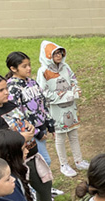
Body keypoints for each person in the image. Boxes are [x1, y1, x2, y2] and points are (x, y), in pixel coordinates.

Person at [0, 72, 72, 201]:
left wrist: (29, 126)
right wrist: (20, 137)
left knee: (42, 182)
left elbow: (21, 120)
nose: (6, 92)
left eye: (6, 88)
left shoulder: (9, 104)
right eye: (0, 90)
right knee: (21, 190)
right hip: (11, 162)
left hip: (30, 153)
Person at [5, 51, 63, 197]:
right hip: (29, 134)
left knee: (43, 162)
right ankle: (40, 192)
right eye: (24, 66)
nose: (29, 68)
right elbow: (17, 115)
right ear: (13, 68)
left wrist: (50, 124)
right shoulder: (12, 88)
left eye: (29, 65)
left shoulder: (32, 82)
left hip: (41, 129)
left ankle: (44, 190)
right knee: (42, 163)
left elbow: (42, 104)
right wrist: (37, 133)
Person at [36, 40, 89, 177]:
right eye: (55, 54)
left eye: (60, 53)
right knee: (59, 137)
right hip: (56, 110)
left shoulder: (65, 67)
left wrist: (76, 90)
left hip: (70, 108)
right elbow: (44, 93)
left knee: (73, 134)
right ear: (48, 55)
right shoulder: (43, 72)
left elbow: (73, 80)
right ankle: (64, 164)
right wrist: (67, 95)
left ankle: (79, 160)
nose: (58, 56)